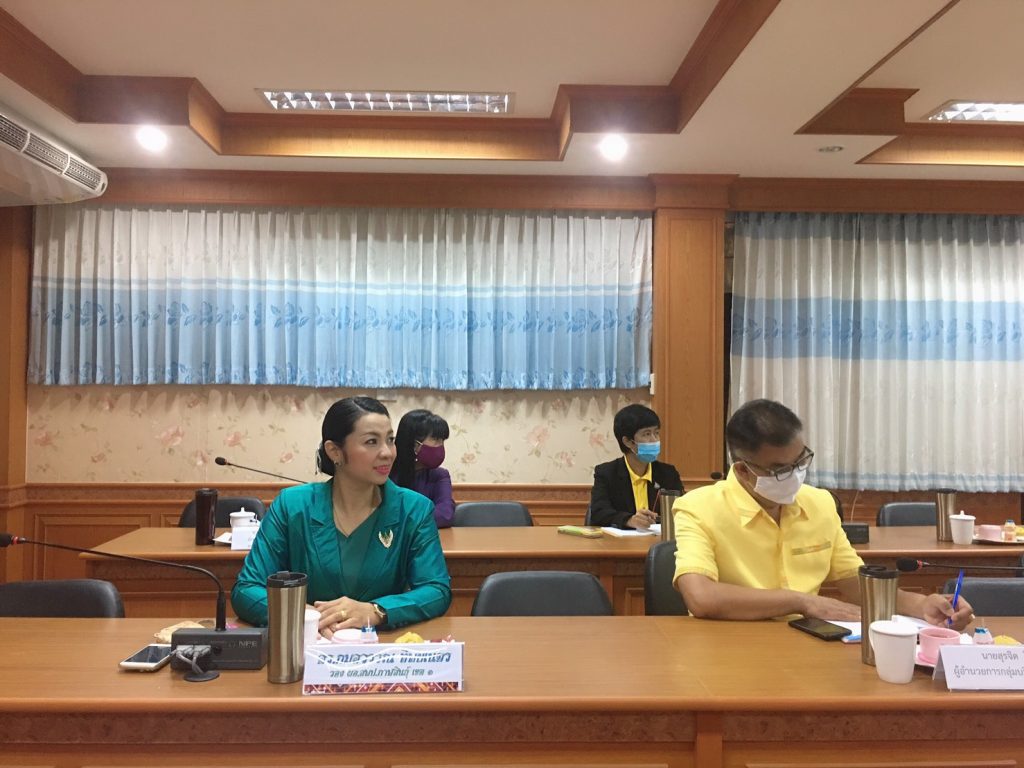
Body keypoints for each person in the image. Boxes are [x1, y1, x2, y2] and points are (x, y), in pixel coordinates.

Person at [673, 398, 973, 629]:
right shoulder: (698, 507)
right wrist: (802, 602)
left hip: (807, 641)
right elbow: (701, 597)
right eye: (780, 469)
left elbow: (852, 582)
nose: (795, 474)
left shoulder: (820, 503)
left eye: (801, 460)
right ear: (743, 470)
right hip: (729, 643)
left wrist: (920, 605)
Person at [231, 396, 451, 637]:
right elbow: (246, 589)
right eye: (371, 442)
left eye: (390, 440)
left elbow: (436, 589)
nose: (387, 453)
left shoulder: (414, 509)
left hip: (381, 646)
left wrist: (377, 611)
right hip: (308, 643)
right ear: (334, 451)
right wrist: (304, 615)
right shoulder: (292, 505)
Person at [589, 404, 683, 529]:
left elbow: (682, 510)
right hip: (622, 540)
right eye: (647, 434)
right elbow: (599, 514)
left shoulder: (668, 473)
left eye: (656, 433)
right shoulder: (607, 473)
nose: (654, 440)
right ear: (628, 441)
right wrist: (628, 520)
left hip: (658, 539)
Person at [389, 409, 455, 528]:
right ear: (414, 444)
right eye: (435, 439)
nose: (440, 446)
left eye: (442, 440)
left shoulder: (440, 475)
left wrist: (405, 520)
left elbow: (445, 515)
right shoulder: (387, 474)